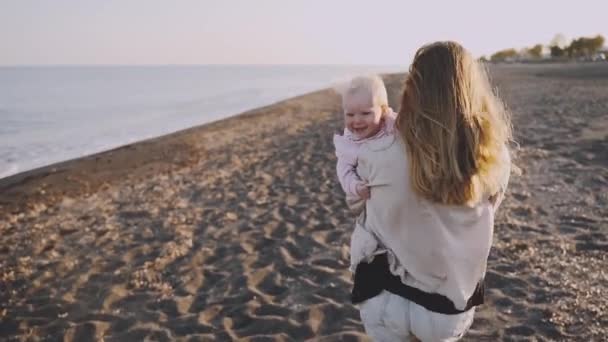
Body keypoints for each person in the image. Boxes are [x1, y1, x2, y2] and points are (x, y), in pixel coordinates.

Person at [348, 41, 513, 341]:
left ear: (414, 88)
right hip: (447, 304)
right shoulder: (494, 156)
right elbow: (489, 209)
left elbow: (356, 203)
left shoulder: (379, 149)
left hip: (385, 294)